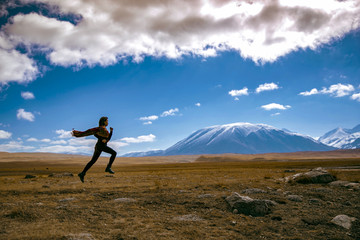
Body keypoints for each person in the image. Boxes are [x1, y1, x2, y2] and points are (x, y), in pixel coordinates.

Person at [72, 116, 117, 183]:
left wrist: (110, 132)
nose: (108, 122)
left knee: (93, 161)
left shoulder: (102, 129)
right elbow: (96, 134)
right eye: (107, 121)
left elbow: (105, 138)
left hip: (99, 146)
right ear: (104, 121)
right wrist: (102, 138)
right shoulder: (101, 128)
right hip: (101, 146)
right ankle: (108, 168)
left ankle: (82, 173)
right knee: (114, 153)